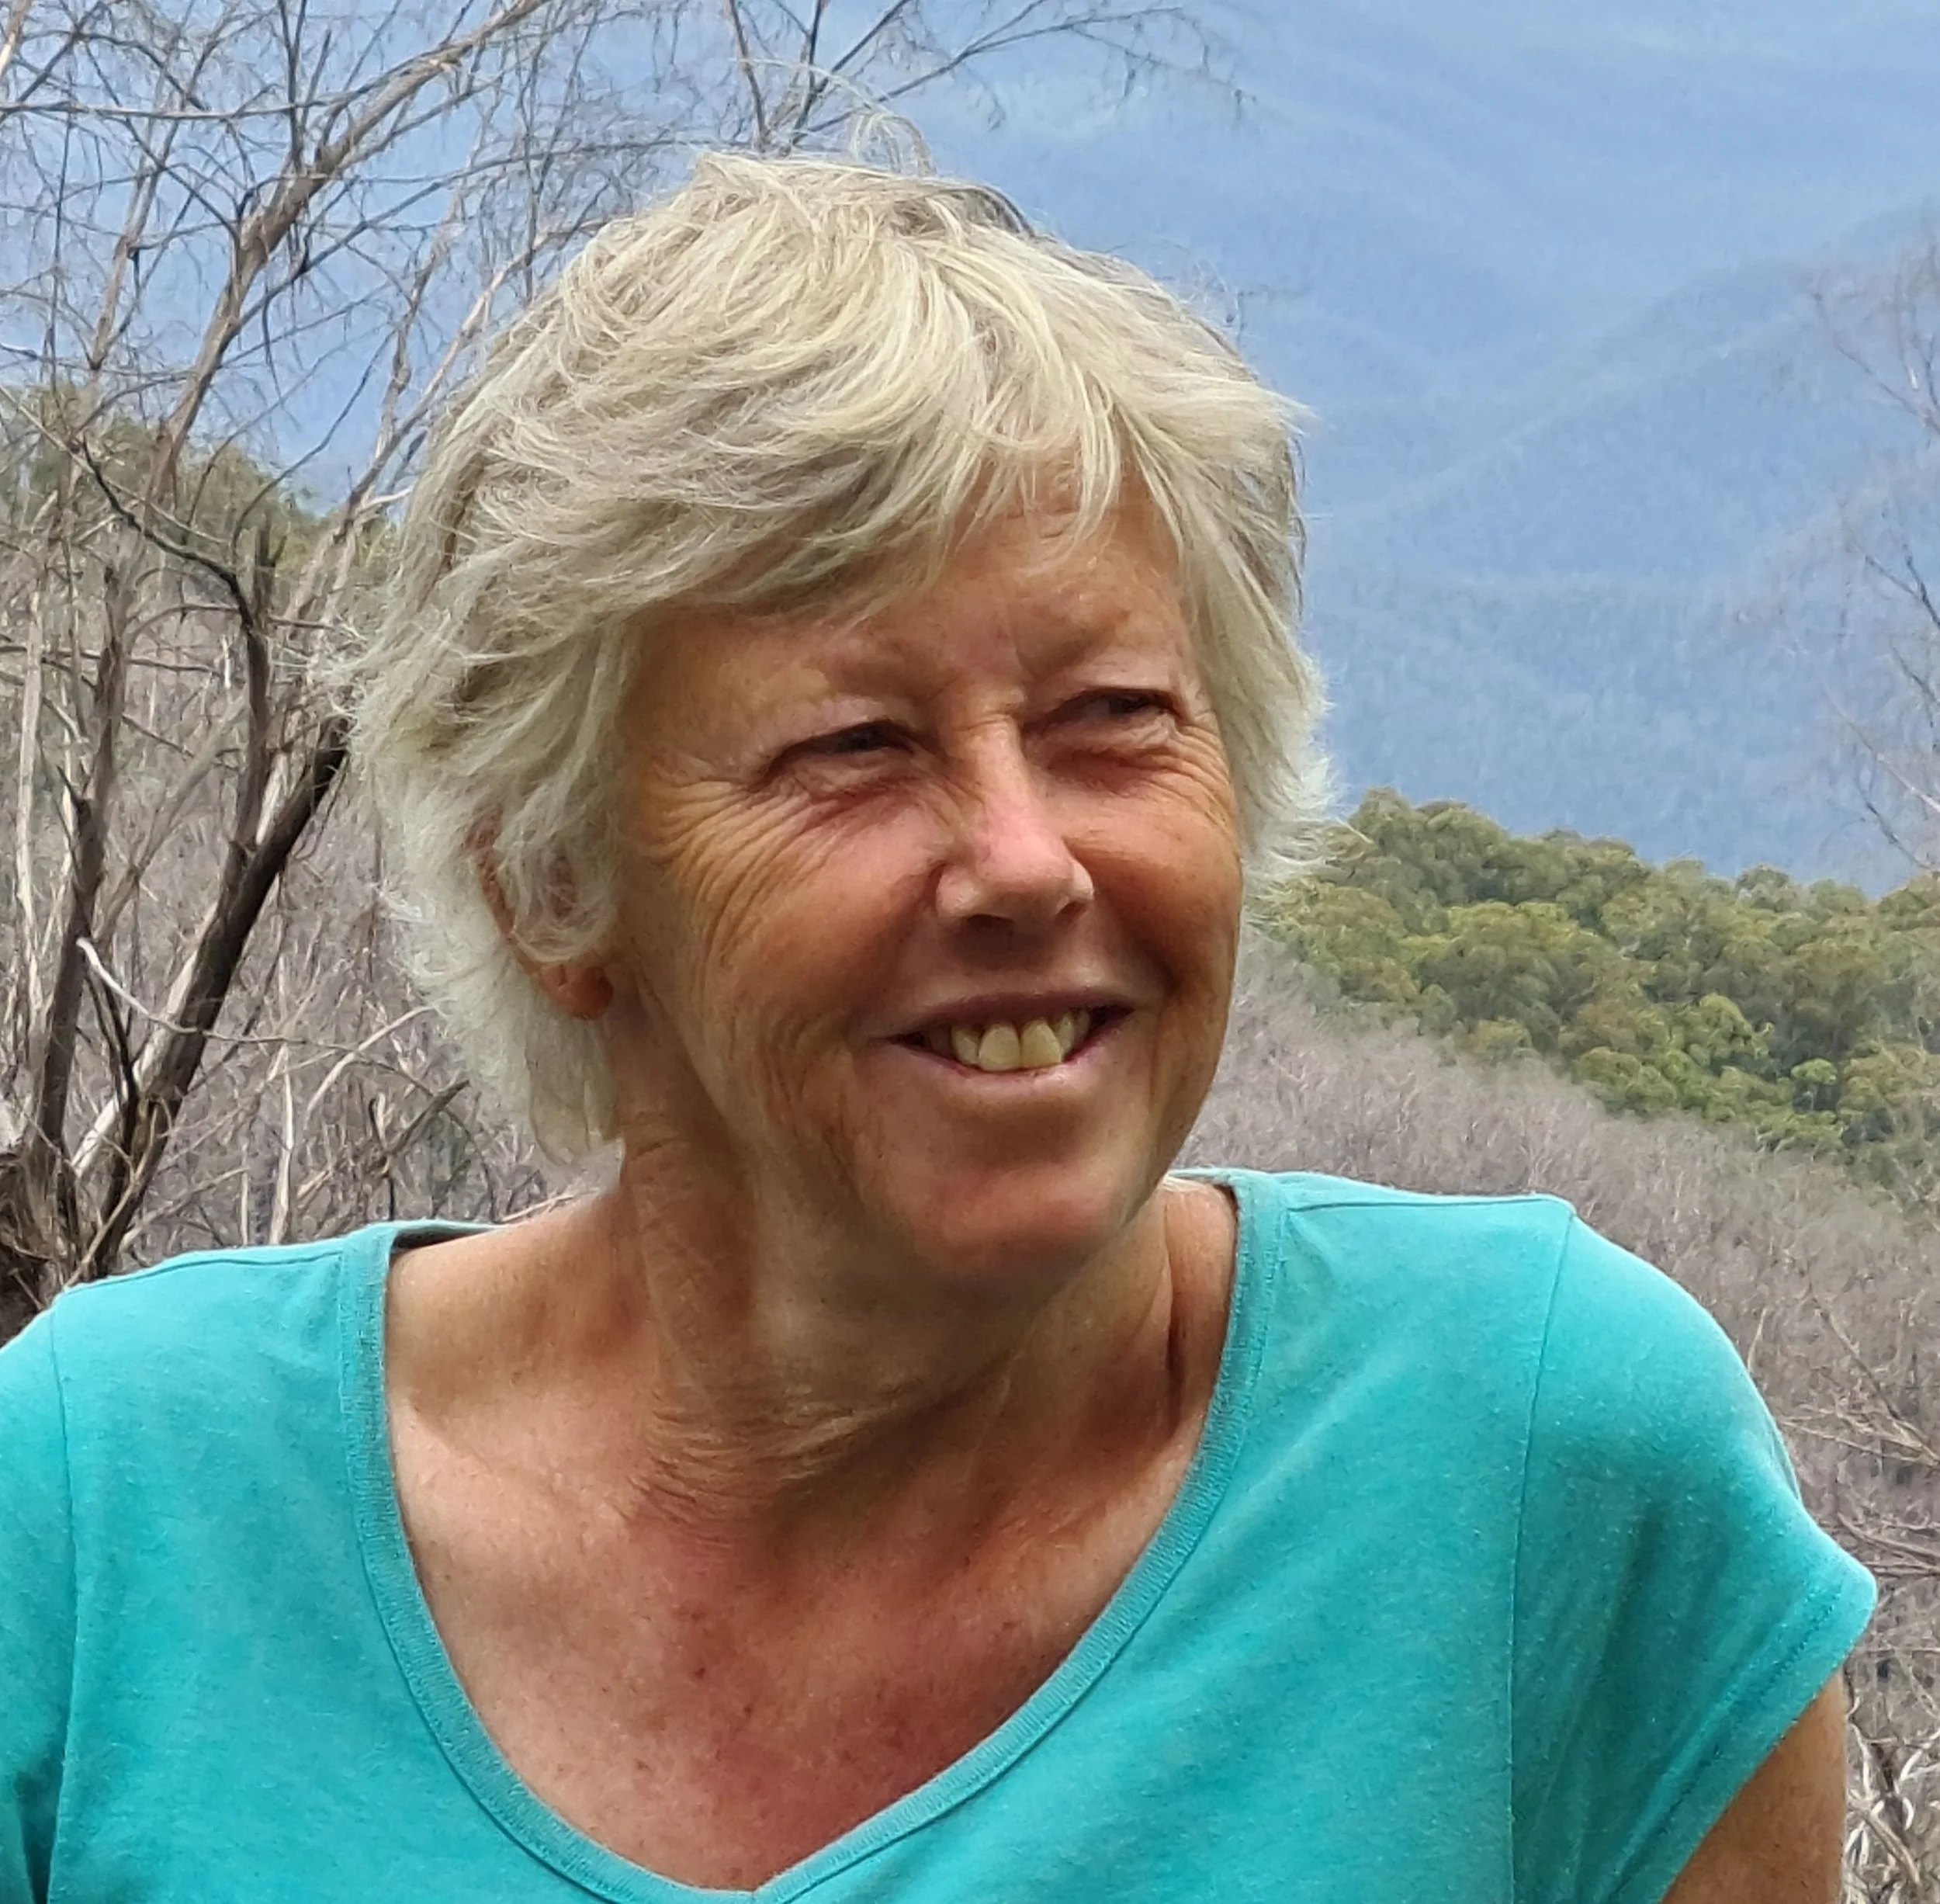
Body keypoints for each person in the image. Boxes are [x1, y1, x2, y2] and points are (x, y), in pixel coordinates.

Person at [0, 153, 1873, 1903]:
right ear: (554, 888)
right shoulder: (108, 1516)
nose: (1020, 857)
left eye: (1114, 717)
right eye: (852, 748)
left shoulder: (1540, 1479)